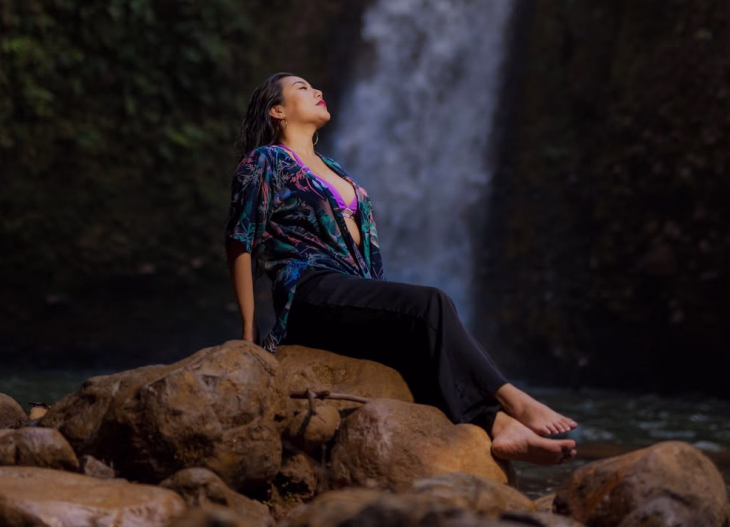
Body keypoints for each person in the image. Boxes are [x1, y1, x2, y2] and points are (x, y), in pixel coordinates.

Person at [225, 72, 577, 465]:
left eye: (315, 86)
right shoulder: (266, 160)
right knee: (433, 303)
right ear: (277, 110)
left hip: (349, 292)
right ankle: (514, 400)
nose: (318, 90)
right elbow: (241, 239)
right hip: (308, 290)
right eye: (303, 88)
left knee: (421, 343)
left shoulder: (335, 169)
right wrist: (247, 329)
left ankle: (498, 427)